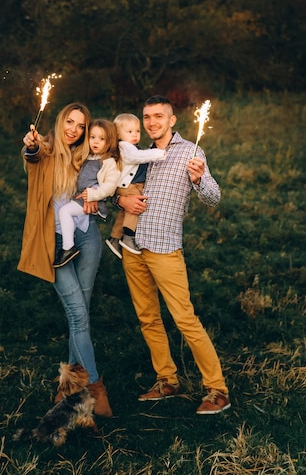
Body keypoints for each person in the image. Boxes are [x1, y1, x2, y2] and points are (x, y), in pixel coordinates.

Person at [117, 95, 231, 415]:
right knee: (148, 318)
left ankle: (217, 389)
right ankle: (167, 379)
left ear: (172, 120)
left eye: (158, 116)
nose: (152, 122)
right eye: (147, 117)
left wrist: (198, 178)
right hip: (133, 246)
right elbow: (114, 184)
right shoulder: (134, 151)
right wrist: (120, 202)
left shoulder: (190, 151)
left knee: (184, 319)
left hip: (165, 247)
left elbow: (213, 196)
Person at [17, 103, 113, 417]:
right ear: (59, 123)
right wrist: (30, 146)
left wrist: (99, 205)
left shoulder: (88, 157)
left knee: (81, 312)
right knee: (77, 314)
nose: (74, 129)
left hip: (87, 239)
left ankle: (68, 388)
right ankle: (95, 387)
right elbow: (31, 156)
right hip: (53, 245)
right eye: (69, 122)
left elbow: (108, 186)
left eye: (80, 125)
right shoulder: (42, 152)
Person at [54, 119, 121, 268]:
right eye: (92, 137)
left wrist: (93, 195)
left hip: (90, 198)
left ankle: (67, 248)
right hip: (79, 197)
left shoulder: (109, 162)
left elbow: (110, 186)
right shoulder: (87, 156)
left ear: (109, 142)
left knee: (64, 212)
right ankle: (69, 244)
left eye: (102, 139)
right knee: (65, 212)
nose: (95, 142)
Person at [105, 113, 166, 259]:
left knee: (126, 211)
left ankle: (114, 239)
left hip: (130, 184)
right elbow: (136, 157)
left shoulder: (129, 146)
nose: (135, 135)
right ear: (118, 134)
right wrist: (159, 153)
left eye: (137, 131)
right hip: (130, 185)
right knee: (135, 207)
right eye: (129, 131)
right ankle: (128, 236)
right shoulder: (125, 146)